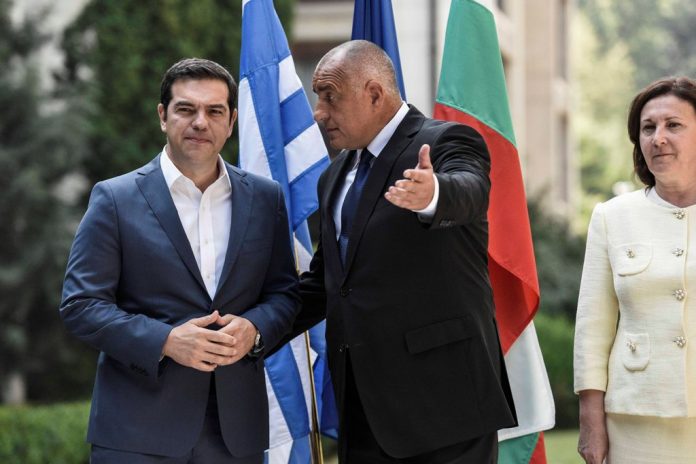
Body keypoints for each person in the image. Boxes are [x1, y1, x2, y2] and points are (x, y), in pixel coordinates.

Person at [59, 58, 300, 464]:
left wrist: (255, 328)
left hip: (235, 435)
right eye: (186, 109)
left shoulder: (265, 198)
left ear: (232, 120)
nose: (200, 122)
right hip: (137, 432)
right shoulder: (115, 199)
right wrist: (166, 341)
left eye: (214, 111)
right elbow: (81, 305)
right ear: (162, 116)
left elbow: (284, 294)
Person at [293, 40, 516, 463]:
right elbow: (327, 284)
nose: (319, 112)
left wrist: (434, 193)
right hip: (363, 414)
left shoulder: (447, 140)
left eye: (330, 97)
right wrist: (254, 329)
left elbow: (470, 190)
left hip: (446, 411)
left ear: (374, 94)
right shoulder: (334, 176)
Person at [574, 76, 696, 464]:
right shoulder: (612, 217)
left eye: (673, 125)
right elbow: (592, 328)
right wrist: (590, 420)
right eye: (648, 128)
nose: (658, 138)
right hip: (635, 418)